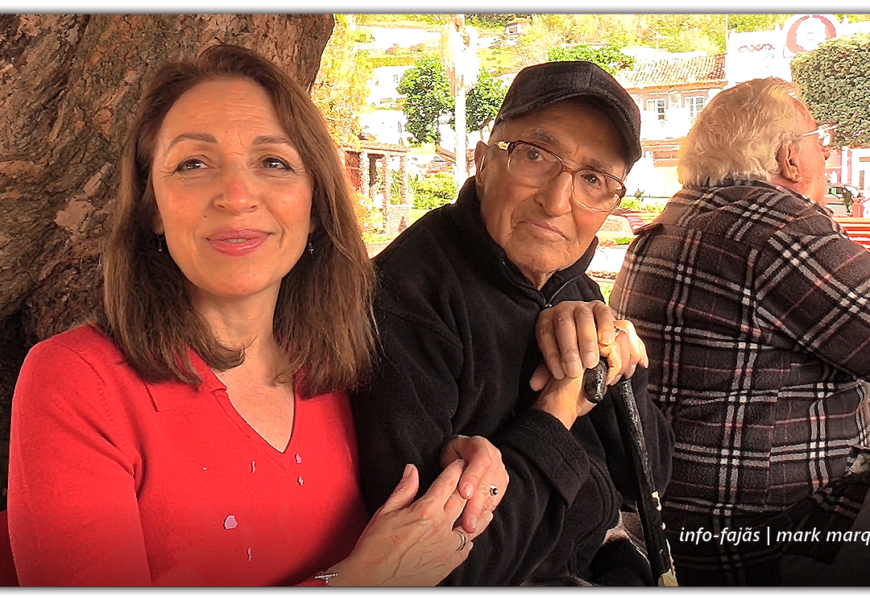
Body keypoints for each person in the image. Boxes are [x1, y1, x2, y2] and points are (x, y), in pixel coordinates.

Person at [6, 44, 508, 587]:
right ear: (152, 206)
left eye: (274, 162)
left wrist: (457, 465)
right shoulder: (78, 382)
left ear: (315, 206)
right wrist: (362, 583)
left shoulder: (345, 370)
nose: (237, 195)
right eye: (193, 163)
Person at [350, 61, 673, 586]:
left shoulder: (573, 285)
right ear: (484, 159)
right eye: (536, 155)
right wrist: (559, 408)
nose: (557, 199)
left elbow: (650, 479)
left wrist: (618, 366)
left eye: (593, 178)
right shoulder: (404, 302)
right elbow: (448, 568)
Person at [610, 77, 870, 586]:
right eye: (821, 139)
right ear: (790, 158)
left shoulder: (678, 219)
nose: (826, 151)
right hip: (765, 535)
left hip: (671, 524)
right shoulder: (778, 229)